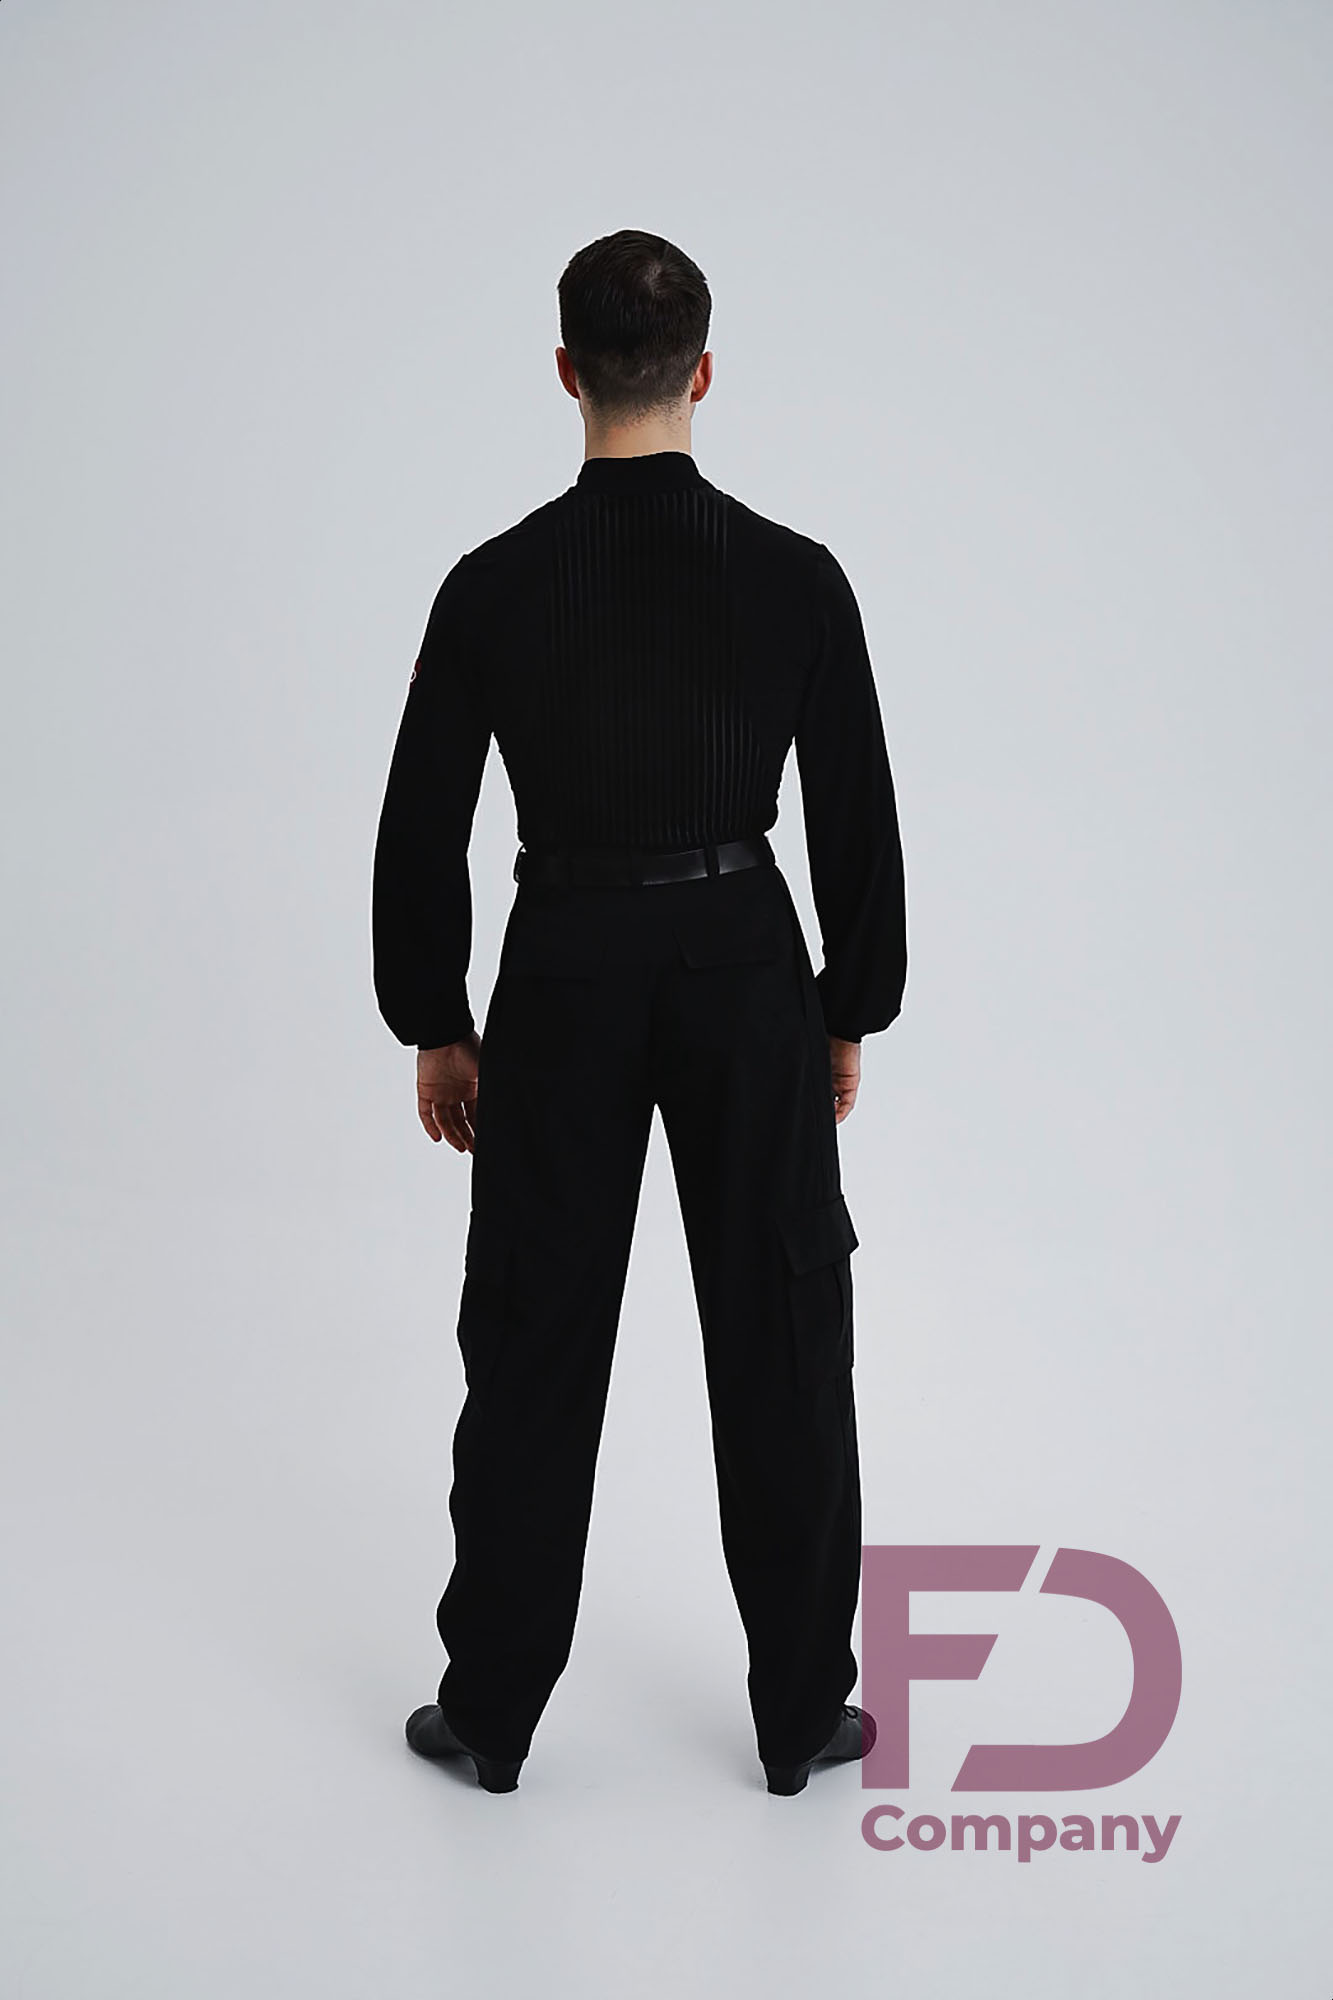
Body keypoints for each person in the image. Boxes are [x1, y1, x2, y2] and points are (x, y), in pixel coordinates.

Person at [372, 229, 907, 1796]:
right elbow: (855, 819)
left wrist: (435, 1017)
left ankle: (490, 1714)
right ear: (704, 372)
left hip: (562, 971)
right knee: (783, 1336)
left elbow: (421, 821)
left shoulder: (492, 586)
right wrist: (847, 1008)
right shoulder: (797, 578)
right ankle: (801, 1713)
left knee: (531, 1336)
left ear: (565, 372)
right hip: (744, 966)